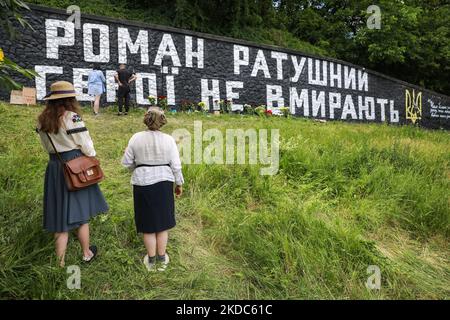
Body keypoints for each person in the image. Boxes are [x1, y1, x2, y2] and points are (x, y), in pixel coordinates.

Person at [37, 81, 109, 267]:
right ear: (70, 98)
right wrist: (91, 156)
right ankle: (86, 253)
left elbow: (46, 147)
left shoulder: (42, 120)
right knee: (81, 214)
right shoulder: (72, 117)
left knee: (60, 218)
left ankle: (59, 265)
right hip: (75, 167)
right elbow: (86, 145)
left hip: (54, 167)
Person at [122, 109, 183, 272]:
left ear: (146, 120)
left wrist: (139, 166)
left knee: (148, 224)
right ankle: (162, 259)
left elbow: (127, 163)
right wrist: (179, 184)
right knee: (162, 224)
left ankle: (151, 260)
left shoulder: (136, 138)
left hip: (142, 183)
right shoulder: (169, 140)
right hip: (164, 182)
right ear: (163, 121)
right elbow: (176, 165)